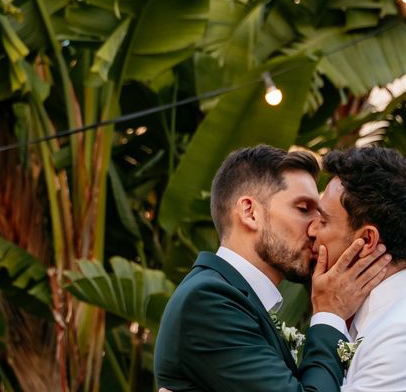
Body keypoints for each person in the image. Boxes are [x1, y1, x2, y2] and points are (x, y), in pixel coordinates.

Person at [154, 145, 391, 391]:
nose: (314, 229)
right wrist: (330, 314)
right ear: (250, 212)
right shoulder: (207, 301)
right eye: (303, 209)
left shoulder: (233, 298)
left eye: (319, 214)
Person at [308, 146, 406, 392]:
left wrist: (326, 316)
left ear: (367, 241)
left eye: (323, 221)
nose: (312, 231)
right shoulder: (386, 315)